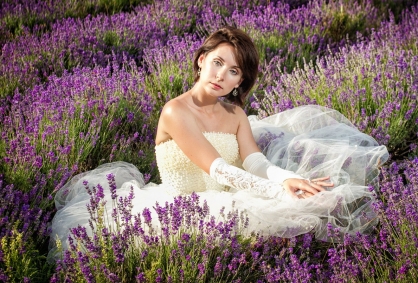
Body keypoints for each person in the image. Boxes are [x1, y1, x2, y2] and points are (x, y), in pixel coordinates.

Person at [48, 26, 389, 260]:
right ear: (201, 59)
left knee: (317, 198)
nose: (221, 76)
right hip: (179, 211)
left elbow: (255, 161)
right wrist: (278, 193)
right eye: (217, 63)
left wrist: (286, 179)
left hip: (231, 199)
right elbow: (219, 168)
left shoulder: (235, 113)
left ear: (241, 80)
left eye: (234, 71)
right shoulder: (175, 111)